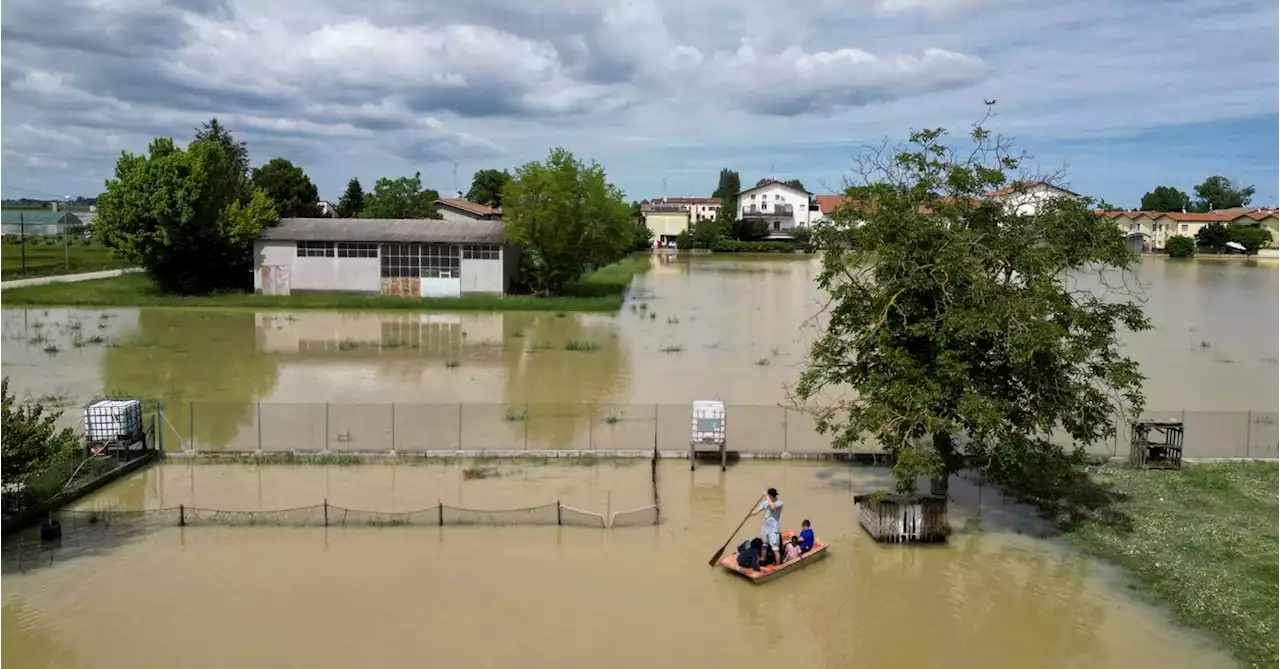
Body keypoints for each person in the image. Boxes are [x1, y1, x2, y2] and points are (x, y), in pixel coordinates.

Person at [750, 488, 784, 557]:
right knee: (764, 544)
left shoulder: (780, 503)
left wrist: (766, 496)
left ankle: (777, 565)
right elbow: (758, 510)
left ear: (772, 496)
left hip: (774, 527)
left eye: (769, 496)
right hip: (766, 526)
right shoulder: (766, 502)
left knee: (775, 548)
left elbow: (773, 507)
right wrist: (750, 514)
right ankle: (763, 559)